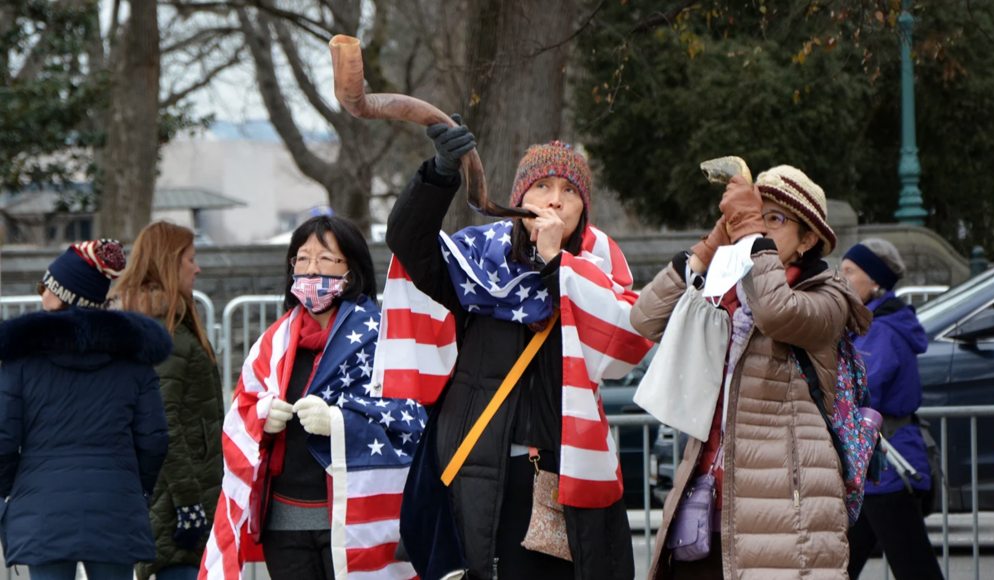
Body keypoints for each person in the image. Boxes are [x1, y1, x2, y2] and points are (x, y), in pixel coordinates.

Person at [384, 120, 652, 580]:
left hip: (557, 473)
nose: (554, 199)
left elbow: (621, 346)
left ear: (582, 211)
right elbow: (410, 243)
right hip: (473, 464)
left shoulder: (598, 280)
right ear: (518, 199)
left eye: (569, 191)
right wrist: (441, 173)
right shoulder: (477, 265)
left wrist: (555, 266)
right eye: (542, 186)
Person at [631, 167, 872, 579]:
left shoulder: (829, 295)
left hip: (785, 521)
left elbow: (777, 311)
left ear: (809, 239)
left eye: (774, 220)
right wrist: (708, 249)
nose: (758, 227)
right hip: (705, 513)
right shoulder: (725, 289)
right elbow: (645, 319)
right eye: (754, 215)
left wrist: (750, 238)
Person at [199, 216, 424, 580]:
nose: (310, 269)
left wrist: (340, 421)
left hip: (359, 524)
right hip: (284, 524)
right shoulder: (273, 343)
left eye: (324, 259)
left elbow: (408, 417)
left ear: (351, 270)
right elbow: (240, 411)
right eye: (301, 259)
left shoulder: (383, 339)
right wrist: (262, 415)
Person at [0, 239, 171, 580]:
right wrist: (136, 486)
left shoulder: (20, 360)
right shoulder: (134, 359)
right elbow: (154, 439)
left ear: (64, 295)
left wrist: (12, 488)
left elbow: (4, 438)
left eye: (44, 287)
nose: (40, 295)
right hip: (115, 506)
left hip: (42, 506)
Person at [109, 222, 224, 580]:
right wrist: (190, 503)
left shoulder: (163, 322)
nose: (198, 267)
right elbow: (164, 424)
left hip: (170, 498)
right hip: (174, 505)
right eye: (191, 259)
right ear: (171, 263)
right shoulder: (162, 332)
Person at [840, 239, 944, 580]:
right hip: (874, 468)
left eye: (849, 271)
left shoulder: (882, 331)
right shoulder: (870, 325)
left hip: (889, 467)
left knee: (914, 569)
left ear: (875, 281)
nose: (840, 279)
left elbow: (860, 391)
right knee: (835, 567)